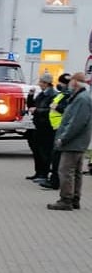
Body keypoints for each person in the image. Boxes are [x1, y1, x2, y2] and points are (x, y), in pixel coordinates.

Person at [47, 72, 92, 210]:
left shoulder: (82, 99)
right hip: (78, 142)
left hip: (73, 142)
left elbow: (76, 123)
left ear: (76, 83)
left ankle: (66, 200)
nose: (69, 85)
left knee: (65, 171)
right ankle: (74, 199)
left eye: (71, 82)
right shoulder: (81, 97)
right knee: (75, 172)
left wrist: (63, 138)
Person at [40, 73, 72, 190]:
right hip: (55, 127)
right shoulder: (62, 94)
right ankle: (53, 179)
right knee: (54, 155)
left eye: (61, 83)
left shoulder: (68, 95)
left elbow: (65, 110)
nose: (59, 85)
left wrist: (55, 107)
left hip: (60, 128)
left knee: (56, 156)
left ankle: (55, 181)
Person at [25, 73, 57, 183]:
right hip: (38, 125)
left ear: (46, 83)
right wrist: (30, 96)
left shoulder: (53, 95)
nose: (39, 84)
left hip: (46, 127)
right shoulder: (42, 94)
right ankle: (38, 172)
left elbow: (50, 110)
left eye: (41, 82)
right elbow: (32, 106)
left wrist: (37, 111)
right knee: (37, 150)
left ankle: (44, 174)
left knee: (45, 151)